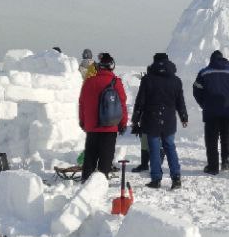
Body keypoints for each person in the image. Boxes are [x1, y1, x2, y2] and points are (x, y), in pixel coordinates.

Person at [131, 53, 187, 190]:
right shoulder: (176, 80)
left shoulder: (147, 79)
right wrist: (184, 117)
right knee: (170, 147)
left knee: (154, 150)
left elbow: (140, 102)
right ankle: (176, 178)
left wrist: (136, 119)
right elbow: (180, 101)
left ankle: (156, 179)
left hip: (151, 119)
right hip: (169, 120)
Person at [78, 52, 128, 185]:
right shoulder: (115, 82)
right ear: (111, 66)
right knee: (106, 156)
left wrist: (83, 122)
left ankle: (85, 180)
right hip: (109, 125)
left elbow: (82, 103)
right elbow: (122, 104)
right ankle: (101, 182)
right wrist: (122, 123)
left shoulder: (89, 81)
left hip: (92, 126)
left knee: (90, 155)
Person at [193, 51, 229, 175]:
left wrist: (203, 103)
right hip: (228, 111)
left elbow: (196, 90)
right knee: (226, 136)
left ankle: (213, 166)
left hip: (211, 111)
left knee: (211, 139)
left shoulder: (204, 72)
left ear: (211, 60)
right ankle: (226, 162)